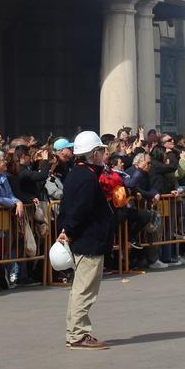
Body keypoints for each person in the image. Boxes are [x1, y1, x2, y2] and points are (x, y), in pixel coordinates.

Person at [57, 130, 115, 349]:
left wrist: (67, 230)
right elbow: (79, 210)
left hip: (84, 238)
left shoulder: (77, 173)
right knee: (84, 290)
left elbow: (69, 208)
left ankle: (75, 332)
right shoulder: (86, 177)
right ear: (93, 153)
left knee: (80, 289)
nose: (103, 154)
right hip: (88, 240)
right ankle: (79, 334)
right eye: (100, 150)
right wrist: (69, 231)